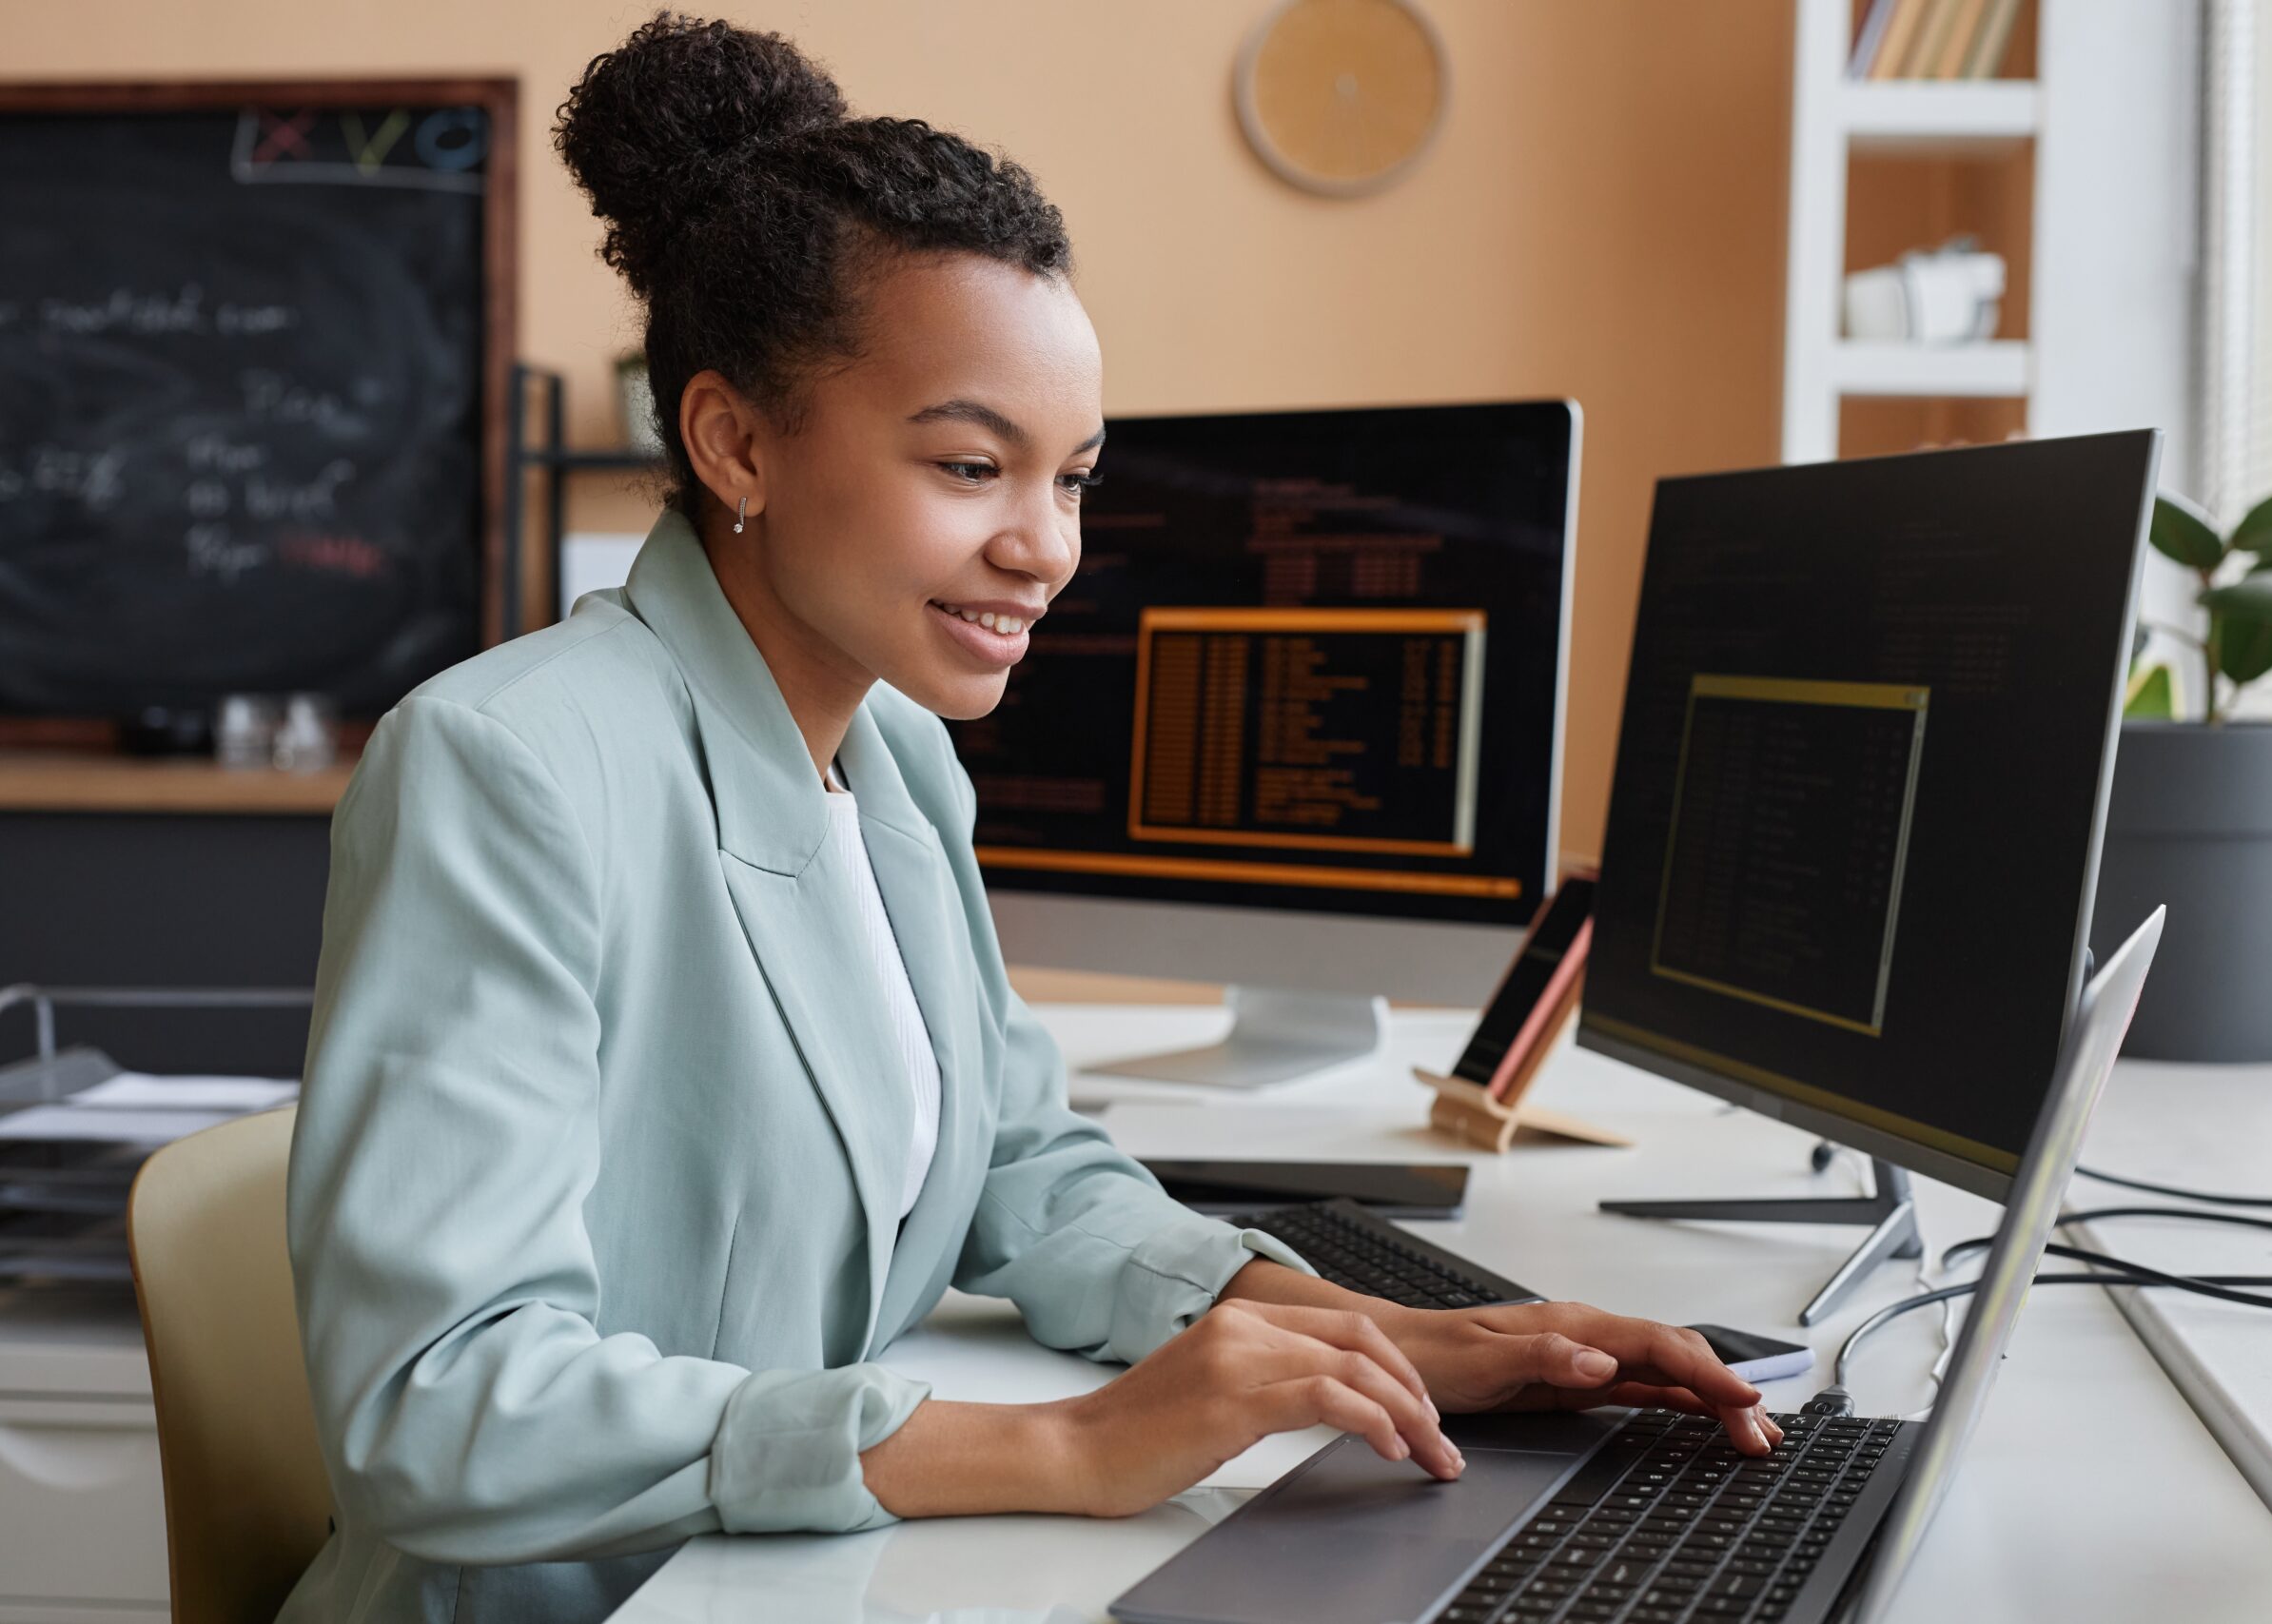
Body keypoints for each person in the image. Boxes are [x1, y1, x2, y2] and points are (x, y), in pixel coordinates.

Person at [277, 15, 1778, 1622]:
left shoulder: (903, 755)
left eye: (1072, 478)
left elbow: (1016, 1167)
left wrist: (1354, 1329)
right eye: (974, 465)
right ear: (735, 440)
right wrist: (1062, 1448)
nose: (1045, 547)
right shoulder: (509, 765)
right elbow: (438, 1405)